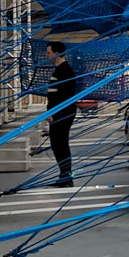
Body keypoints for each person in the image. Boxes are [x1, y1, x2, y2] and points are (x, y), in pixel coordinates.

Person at [44, 41, 79, 187]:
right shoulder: (59, 70)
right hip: (59, 112)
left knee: (60, 144)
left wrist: (54, 113)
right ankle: (64, 175)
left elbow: (63, 96)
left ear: (57, 54)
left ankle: (67, 177)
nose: (47, 55)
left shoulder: (65, 70)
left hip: (63, 113)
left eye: (49, 53)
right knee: (57, 144)